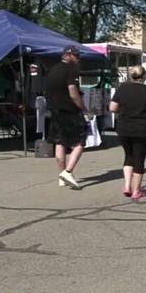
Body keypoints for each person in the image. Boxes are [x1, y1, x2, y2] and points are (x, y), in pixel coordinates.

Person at [109, 66, 146, 200]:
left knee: (128, 156)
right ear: (144, 76)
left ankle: (127, 186)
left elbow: (112, 107)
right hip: (142, 128)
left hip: (124, 127)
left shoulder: (122, 89)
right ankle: (136, 190)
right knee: (139, 159)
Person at [46, 45, 90, 190]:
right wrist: (84, 108)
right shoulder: (70, 70)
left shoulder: (52, 69)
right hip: (69, 111)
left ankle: (62, 175)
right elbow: (73, 93)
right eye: (77, 56)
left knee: (60, 142)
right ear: (69, 55)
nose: (78, 59)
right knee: (80, 142)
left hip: (55, 111)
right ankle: (68, 171)